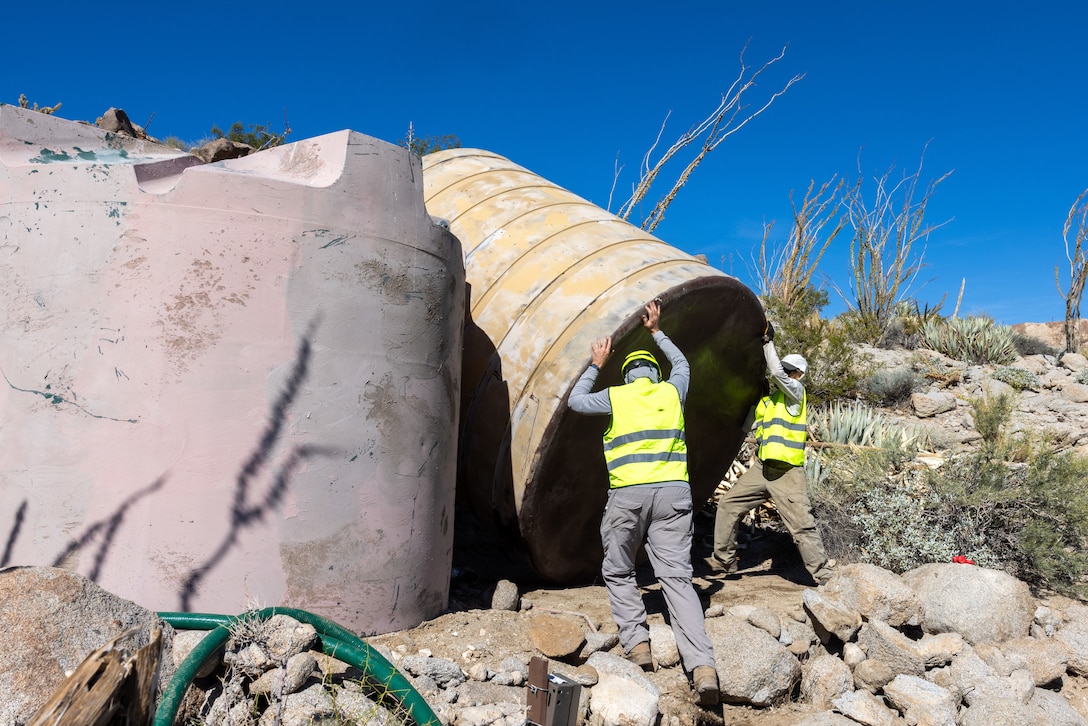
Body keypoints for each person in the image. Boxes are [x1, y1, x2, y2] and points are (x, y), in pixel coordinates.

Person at [568, 300, 719, 708]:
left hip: (628, 497)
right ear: (653, 373)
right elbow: (683, 365)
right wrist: (657, 330)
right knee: (676, 578)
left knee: (618, 571)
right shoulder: (673, 392)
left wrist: (597, 363)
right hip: (673, 495)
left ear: (627, 373)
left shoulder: (615, 397)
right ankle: (702, 667)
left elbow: (576, 401)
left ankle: (638, 646)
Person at [710, 320, 835, 585]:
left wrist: (768, 344)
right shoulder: (768, 402)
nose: (786, 375)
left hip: (788, 473)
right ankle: (724, 561)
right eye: (785, 370)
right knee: (728, 504)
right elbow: (745, 426)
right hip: (763, 469)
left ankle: (824, 576)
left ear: (799, 375)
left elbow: (777, 374)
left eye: (791, 372)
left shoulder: (796, 394)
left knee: (801, 526)